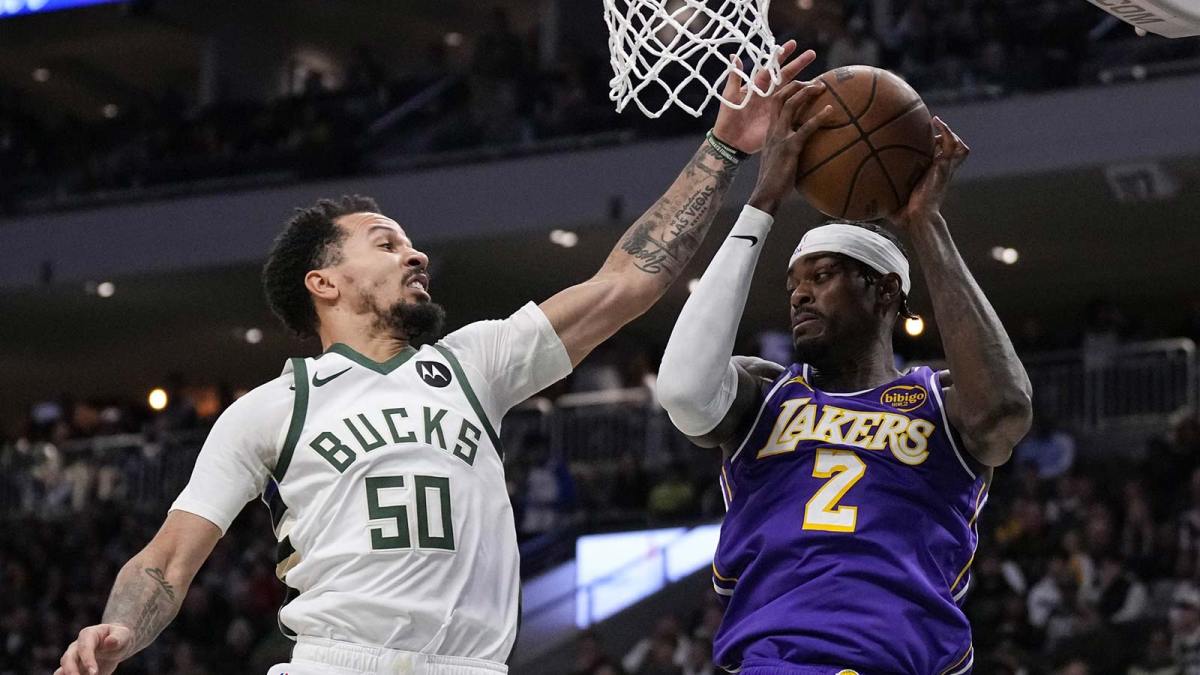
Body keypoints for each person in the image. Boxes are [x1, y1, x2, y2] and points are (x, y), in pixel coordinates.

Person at [53, 42, 822, 675]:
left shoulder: (472, 361)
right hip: (338, 661)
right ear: (325, 282)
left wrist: (723, 146)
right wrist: (121, 628)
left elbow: (626, 282)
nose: (415, 251)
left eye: (409, 240)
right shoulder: (270, 407)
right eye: (385, 242)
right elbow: (166, 559)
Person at [656, 92, 1032, 672]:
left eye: (823, 276)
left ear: (884, 293)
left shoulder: (942, 403)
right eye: (793, 284)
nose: (800, 293)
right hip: (777, 659)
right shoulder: (763, 394)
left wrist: (925, 224)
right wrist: (764, 199)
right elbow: (681, 391)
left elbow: (1006, 411)